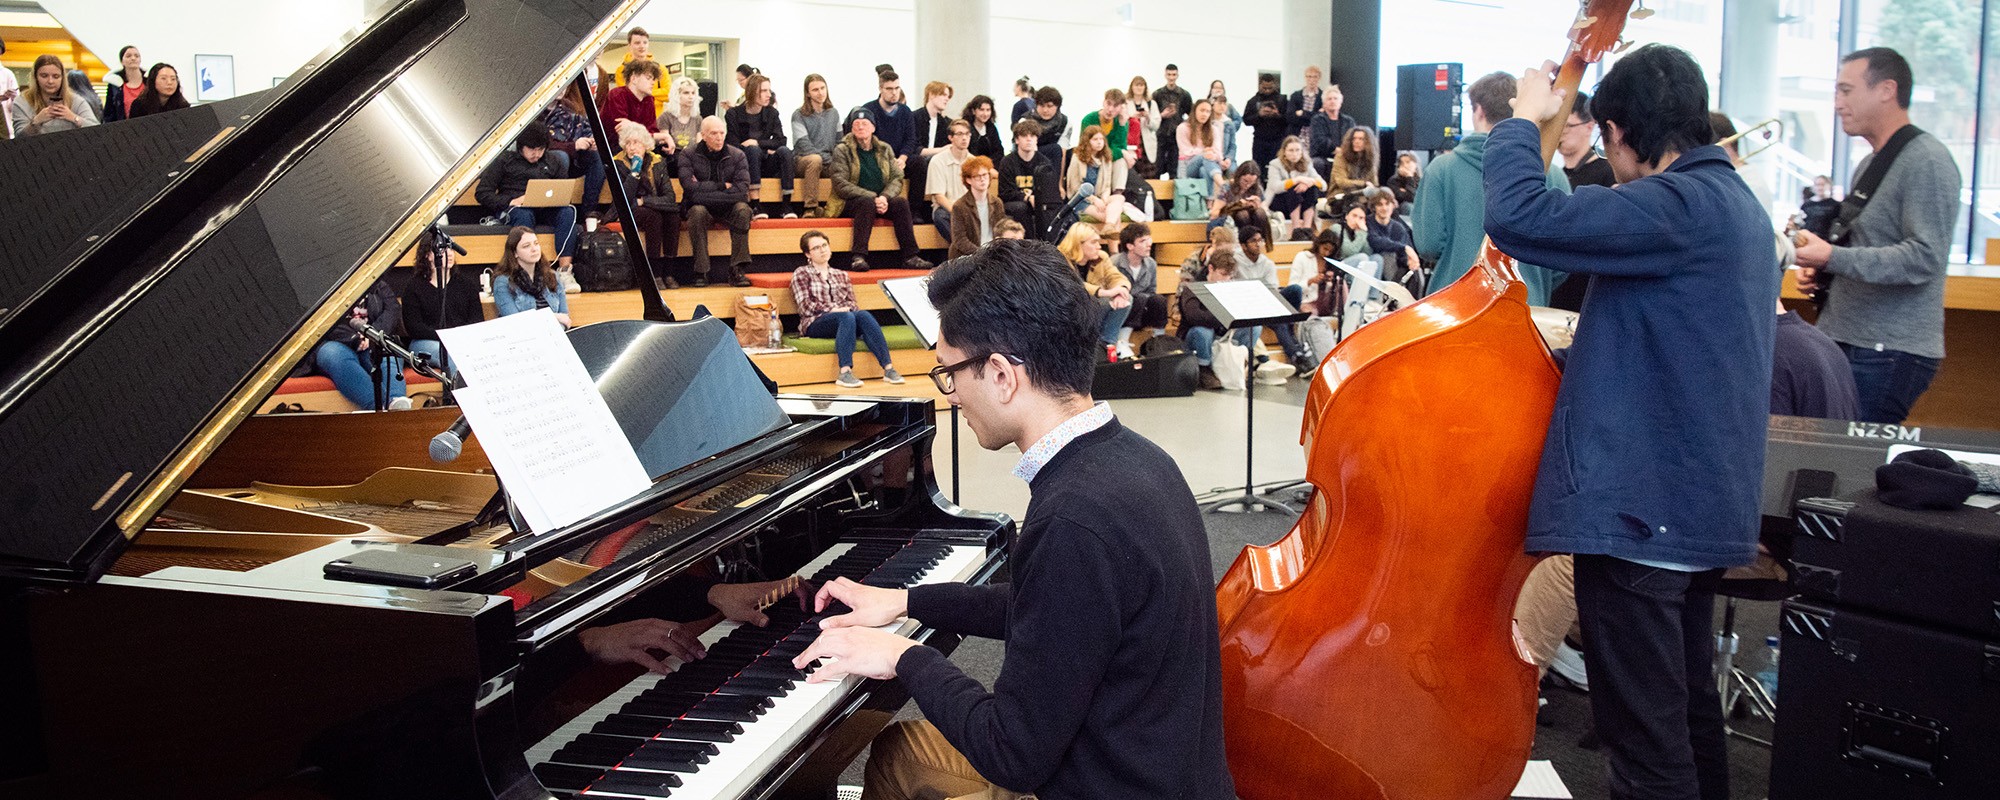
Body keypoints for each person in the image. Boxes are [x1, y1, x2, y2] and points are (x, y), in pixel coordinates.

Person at [797, 240, 1234, 800]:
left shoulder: (1073, 519)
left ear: (1002, 375)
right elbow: (1057, 612)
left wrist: (903, 654)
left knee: (914, 761)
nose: (950, 395)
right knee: (901, 754)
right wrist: (906, 601)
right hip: (1156, 767)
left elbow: (1014, 753)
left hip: (1106, 784)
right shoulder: (1138, 459)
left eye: (949, 373)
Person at [1486, 45, 1777, 800]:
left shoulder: (1678, 204)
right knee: (1685, 716)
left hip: (1647, 513)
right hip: (1692, 506)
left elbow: (1520, 215)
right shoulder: (1736, 203)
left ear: (1616, 131)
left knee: (1647, 748)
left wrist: (1522, 121)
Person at [1793, 47, 1960, 425]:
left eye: (1846, 91)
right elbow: (1870, 243)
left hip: (1887, 349)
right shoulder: (1871, 162)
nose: (1837, 103)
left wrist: (1831, 258)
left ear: (1886, 90)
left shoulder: (1927, 160)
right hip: (1850, 338)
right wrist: (1825, 271)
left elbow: (1925, 257)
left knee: (1850, 469)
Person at [1413, 70, 1570, 306]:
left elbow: (1429, 245)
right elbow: (1562, 259)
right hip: (1527, 311)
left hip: (1452, 310)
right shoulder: (1552, 173)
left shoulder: (1441, 169)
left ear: (1478, 110)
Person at [790, 230, 906, 389]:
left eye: (824, 245)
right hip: (815, 323)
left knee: (863, 315)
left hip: (844, 320)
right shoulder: (802, 273)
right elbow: (805, 306)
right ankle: (845, 371)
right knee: (846, 316)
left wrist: (843, 310)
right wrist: (834, 310)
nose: (822, 250)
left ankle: (888, 368)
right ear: (807, 254)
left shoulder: (841, 275)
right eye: (816, 248)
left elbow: (852, 303)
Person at [830, 108, 933, 272]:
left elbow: (897, 177)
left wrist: (884, 197)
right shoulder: (842, 150)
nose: (860, 127)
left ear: (873, 127)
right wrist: (873, 197)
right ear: (851, 129)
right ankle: (858, 256)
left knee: (900, 203)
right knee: (866, 203)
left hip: (880, 200)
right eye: (856, 124)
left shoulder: (885, 149)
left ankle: (910, 256)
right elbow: (840, 184)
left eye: (865, 124)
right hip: (851, 202)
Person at [475, 122, 578, 273]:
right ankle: (527, 271)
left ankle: (565, 269)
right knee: (524, 215)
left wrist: (555, 200)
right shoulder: (505, 160)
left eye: (540, 150)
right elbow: (482, 192)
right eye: (531, 149)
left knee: (568, 212)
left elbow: (561, 189)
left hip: (545, 208)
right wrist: (511, 201)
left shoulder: (553, 161)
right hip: (514, 208)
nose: (536, 154)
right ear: (521, 146)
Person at [678, 116, 756, 287]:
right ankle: (701, 271)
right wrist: (723, 186)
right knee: (697, 211)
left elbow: (741, 191)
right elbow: (690, 190)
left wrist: (702, 189)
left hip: (728, 208)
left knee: (743, 209)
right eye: (714, 133)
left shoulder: (738, 155)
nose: (719, 137)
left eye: (722, 133)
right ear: (703, 135)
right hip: (701, 208)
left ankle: (737, 270)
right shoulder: (687, 154)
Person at [314, 276, 409, 410]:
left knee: (387, 352)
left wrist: (372, 333)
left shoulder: (378, 284)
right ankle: (378, 407)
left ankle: (397, 402)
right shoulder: (324, 286)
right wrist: (354, 338)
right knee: (334, 355)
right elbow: (322, 321)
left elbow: (392, 310)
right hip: (336, 342)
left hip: (372, 338)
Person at [611, 120, 684, 289]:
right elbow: (625, 198)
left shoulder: (658, 162)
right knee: (654, 217)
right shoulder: (618, 164)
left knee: (673, 217)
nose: (632, 147)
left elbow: (670, 197)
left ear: (646, 145)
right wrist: (634, 172)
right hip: (629, 210)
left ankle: (669, 272)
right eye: (628, 143)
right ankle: (655, 273)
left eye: (636, 142)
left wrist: (645, 201)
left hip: (648, 204)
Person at [400, 234, 485, 377]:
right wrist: (447, 338)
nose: (450, 254)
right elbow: (414, 327)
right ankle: (462, 395)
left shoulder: (466, 284)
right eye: (443, 249)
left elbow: (477, 320)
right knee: (450, 355)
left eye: (451, 249)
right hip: (425, 342)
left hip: (461, 340)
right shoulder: (413, 287)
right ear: (428, 255)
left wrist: (459, 337)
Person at [1231, 225, 1310, 370]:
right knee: (1280, 322)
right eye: (1253, 241)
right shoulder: (1234, 262)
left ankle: (1290, 327)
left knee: (1295, 290)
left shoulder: (1267, 263)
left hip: (1267, 302)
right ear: (1243, 245)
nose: (1258, 244)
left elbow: (1272, 291)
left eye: (1260, 240)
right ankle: (1296, 355)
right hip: (1246, 307)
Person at [725, 73, 798, 219]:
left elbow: (781, 140)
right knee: (752, 150)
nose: (768, 95)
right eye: (764, 91)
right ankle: (755, 204)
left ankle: (787, 204)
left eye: (769, 91)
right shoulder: (734, 113)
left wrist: (758, 143)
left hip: (765, 161)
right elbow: (732, 145)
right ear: (752, 92)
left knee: (785, 151)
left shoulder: (772, 113)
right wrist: (759, 147)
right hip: (744, 162)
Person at [1055, 223, 1134, 348]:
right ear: (1078, 243)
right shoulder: (1060, 259)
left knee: (1126, 298)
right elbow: (1073, 285)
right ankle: (1095, 346)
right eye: (1094, 242)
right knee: (1103, 302)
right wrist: (1105, 293)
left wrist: (1121, 291)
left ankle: (1107, 344)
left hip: (1091, 308)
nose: (1099, 246)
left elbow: (1116, 277)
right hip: (1067, 312)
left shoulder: (1101, 257)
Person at [1178, 246, 1245, 389]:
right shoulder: (1193, 288)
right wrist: (1224, 317)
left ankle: (1241, 363)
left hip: (1222, 333)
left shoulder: (1231, 288)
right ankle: (1204, 368)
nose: (1226, 279)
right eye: (1223, 274)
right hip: (1196, 335)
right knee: (1203, 331)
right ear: (1211, 269)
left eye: (1230, 276)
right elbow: (1194, 317)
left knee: (1253, 328)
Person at [541, 88, 604, 221]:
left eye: (564, 85)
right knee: (560, 157)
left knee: (597, 157)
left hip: (573, 160)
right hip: (544, 161)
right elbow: (541, 144)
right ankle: (557, 207)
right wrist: (574, 145)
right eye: (557, 85)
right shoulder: (535, 112)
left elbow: (584, 127)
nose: (561, 88)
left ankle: (589, 212)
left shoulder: (569, 108)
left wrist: (591, 140)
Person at [491, 226, 573, 325]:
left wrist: (558, 321)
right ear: (515, 253)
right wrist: (555, 317)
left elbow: (565, 320)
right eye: (526, 246)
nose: (534, 249)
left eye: (536, 243)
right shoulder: (503, 282)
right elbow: (515, 322)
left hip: (553, 336)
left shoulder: (553, 276)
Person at [1110, 222, 1170, 350]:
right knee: (1139, 298)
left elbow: (1152, 290)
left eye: (1149, 240)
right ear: (1130, 246)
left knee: (1158, 300)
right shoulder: (1114, 263)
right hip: (1121, 311)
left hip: (1141, 312)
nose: (1149, 244)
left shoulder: (1151, 264)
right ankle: (1122, 341)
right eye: (1143, 241)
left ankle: (1160, 341)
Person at [998, 119, 1062, 238]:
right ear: (1017, 140)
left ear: (1037, 139)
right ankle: (1029, 244)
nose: (1029, 139)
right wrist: (1027, 197)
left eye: (1032, 136)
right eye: (1024, 136)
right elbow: (1004, 193)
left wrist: (1037, 199)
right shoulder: (1007, 162)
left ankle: (1047, 243)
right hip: (1015, 204)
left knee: (1051, 209)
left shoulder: (1044, 162)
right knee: (1021, 208)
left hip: (1038, 203)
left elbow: (1049, 191)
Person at [791, 74, 841, 219]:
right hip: (804, 160)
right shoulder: (798, 115)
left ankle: (836, 208)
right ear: (807, 93)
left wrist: (836, 160)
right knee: (815, 160)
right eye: (815, 90)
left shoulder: (834, 113)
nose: (820, 93)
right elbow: (804, 145)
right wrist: (828, 159)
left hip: (828, 161)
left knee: (846, 165)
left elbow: (839, 142)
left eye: (822, 88)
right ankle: (810, 208)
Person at [12, 55, 98, 137]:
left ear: (62, 78)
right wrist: (36, 121)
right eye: (44, 76)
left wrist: (73, 118)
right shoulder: (22, 102)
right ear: (35, 77)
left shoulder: (76, 101)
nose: (50, 81)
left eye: (56, 76)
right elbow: (19, 138)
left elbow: (97, 130)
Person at [1063, 126, 1132, 227]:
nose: (1099, 142)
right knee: (1112, 216)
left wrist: (1104, 199)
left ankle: (1108, 228)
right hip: (1081, 200)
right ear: (1087, 141)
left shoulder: (1106, 158)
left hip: (1100, 197)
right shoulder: (1077, 158)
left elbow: (1107, 185)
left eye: (1101, 139)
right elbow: (1074, 187)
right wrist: (1095, 200)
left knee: (1119, 198)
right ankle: (1110, 231)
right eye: (1095, 139)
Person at [909, 80, 957, 216]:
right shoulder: (914, 117)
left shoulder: (946, 123)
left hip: (935, 160)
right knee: (921, 163)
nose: (946, 99)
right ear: (931, 95)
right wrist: (941, 150)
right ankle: (915, 211)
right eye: (943, 95)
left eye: (948, 96)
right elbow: (914, 148)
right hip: (917, 161)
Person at [1266, 135, 1327, 240]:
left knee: (1312, 188)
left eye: (1297, 150)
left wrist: (1310, 182)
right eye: (1291, 150)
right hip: (1280, 202)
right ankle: (1296, 228)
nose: (1294, 154)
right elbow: (1275, 187)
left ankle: (1307, 229)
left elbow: (1323, 185)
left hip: (1301, 202)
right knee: (1293, 188)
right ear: (1284, 151)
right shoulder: (1275, 164)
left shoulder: (1307, 164)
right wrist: (1297, 180)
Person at [604, 60, 672, 151]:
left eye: (653, 79)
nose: (653, 83)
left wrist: (632, 125)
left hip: (641, 147)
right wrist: (660, 135)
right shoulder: (617, 95)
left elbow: (651, 131)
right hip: (613, 148)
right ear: (634, 79)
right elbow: (623, 133)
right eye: (648, 78)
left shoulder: (649, 99)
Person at [949, 156, 1008, 259]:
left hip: (992, 254)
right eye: (977, 176)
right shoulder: (959, 206)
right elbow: (960, 240)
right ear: (968, 180)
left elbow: (1001, 232)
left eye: (985, 175)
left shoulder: (997, 203)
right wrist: (981, 253)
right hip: (968, 257)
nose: (982, 179)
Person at [925, 119, 976, 239]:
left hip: (970, 207)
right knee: (941, 216)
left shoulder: (974, 161)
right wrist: (959, 213)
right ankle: (965, 249)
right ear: (950, 138)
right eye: (959, 134)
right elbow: (939, 197)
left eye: (967, 134)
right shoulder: (937, 161)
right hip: (948, 208)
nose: (964, 138)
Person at [1559, 91, 1616, 190]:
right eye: (1557, 128)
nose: (1559, 133)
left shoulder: (1608, 172)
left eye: (1567, 126)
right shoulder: (1556, 175)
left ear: (1589, 127)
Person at [860, 70, 915, 168]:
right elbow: (866, 141)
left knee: (919, 163)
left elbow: (910, 140)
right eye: (889, 89)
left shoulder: (906, 111)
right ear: (880, 89)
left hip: (900, 158)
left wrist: (902, 159)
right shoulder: (868, 110)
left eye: (897, 88)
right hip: (876, 158)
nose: (894, 92)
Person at [1366, 188, 1420, 283]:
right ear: (1374, 207)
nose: (1384, 208)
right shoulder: (1368, 222)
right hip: (1374, 260)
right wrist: (1404, 248)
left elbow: (1406, 253)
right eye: (1380, 205)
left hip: (1397, 265)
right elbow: (1375, 242)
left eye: (1387, 204)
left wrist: (1410, 262)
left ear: (1392, 206)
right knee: (1388, 255)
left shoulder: (1398, 227)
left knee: (1416, 270)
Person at [1307, 86, 1358, 177]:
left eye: (1335, 98)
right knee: (1317, 164)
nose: (1332, 101)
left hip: (1345, 155)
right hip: (1322, 156)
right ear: (1324, 103)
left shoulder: (1349, 121)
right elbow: (1320, 140)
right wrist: (1336, 150)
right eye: (1329, 99)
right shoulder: (1317, 120)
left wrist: (1345, 152)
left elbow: (1353, 139)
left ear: (1340, 102)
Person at [1178, 99, 1229, 190]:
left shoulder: (1214, 129)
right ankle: (1222, 185)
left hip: (1207, 164)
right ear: (1194, 111)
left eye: (1208, 112)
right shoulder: (1183, 128)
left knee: (1204, 170)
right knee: (1204, 157)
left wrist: (1212, 155)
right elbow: (1186, 152)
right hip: (1187, 166)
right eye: (1202, 110)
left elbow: (1218, 153)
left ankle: (1209, 201)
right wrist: (1204, 152)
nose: (1204, 114)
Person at [1244, 73, 1288, 172]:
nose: (1267, 90)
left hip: (1278, 139)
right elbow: (1246, 120)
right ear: (1260, 85)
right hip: (1260, 140)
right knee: (1258, 169)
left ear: (1275, 85)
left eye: (1270, 88)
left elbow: (1288, 120)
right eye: (1264, 88)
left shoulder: (1282, 100)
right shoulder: (1253, 101)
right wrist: (1259, 115)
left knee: (1277, 168)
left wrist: (1277, 115)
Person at [1211, 163, 1269, 237]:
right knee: (1242, 214)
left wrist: (1258, 205)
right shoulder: (1227, 187)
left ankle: (1258, 238)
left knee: (1260, 213)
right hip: (1232, 218)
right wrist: (1238, 205)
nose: (1248, 185)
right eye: (1245, 181)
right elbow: (1215, 211)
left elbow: (1265, 210)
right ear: (1238, 177)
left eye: (1252, 182)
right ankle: (1245, 240)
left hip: (1253, 219)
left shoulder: (1257, 188)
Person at [1076, 88, 1130, 165]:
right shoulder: (1089, 119)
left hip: (1110, 160)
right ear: (1103, 102)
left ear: (1121, 108)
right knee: (1122, 155)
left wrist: (1122, 125)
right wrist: (1121, 152)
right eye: (1108, 103)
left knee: (1121, 162)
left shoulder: (1121, 122)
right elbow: (1085, 147)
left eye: (1115, 106)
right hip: (1091, 160)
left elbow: (1121, 147)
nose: (1110, 109)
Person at [1328, 127, 1379, 199]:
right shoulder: (1341, 156)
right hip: (1341, 195)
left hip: (1363, 194)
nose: (1356, 141)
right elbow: (1341, 182)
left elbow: (1374, 183)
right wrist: (1364, 183)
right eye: (1354, 139)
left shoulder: (1370, 158)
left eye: (1361, 139)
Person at [1124, 76, 1160, 179]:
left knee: (1149, 174)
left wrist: (1147, 116)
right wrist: (1132, 117)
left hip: (1146, 143)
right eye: (1136, 85)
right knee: (1131, 171)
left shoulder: (1151, 104)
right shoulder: (1126, 103)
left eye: (1141, 85)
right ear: (1132, 87)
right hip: (1131, 141)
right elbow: (1121, 120)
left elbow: (1156, 125)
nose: (1139, 88)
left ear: (1145, 87)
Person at [1029, 86, 1070, 172]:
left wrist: (1059, 183)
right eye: (1041, 105)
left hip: (1053, 158)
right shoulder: (1026, 120)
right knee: (1054, 149)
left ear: (1057, 106)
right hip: (1029, 155)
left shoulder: (1065, 122)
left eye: (1049, 106)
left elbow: (1063, 150)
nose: (1045, 110)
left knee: (1066, 152)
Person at [661, 75, 703, 155]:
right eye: (686, 93)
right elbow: (665, 142)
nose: (691, 97)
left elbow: (699, 145)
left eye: (693, 93)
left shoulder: (698, 119)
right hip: (673, 158)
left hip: (692, 158)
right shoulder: (665, 117)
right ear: (676, 95)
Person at [102, 45, 145, 123]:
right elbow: (109, 112)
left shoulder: (149, 81)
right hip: (124, 128)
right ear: (122, 61)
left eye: (137, 56)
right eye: (128, 56)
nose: (133, 58)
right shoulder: (115, 84)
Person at [1208, 80, 1244, 165]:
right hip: (1211, 155)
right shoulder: (1207, 106)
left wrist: (1229, 127)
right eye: (1216, 87)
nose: (1218, 90)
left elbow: (1238, 120)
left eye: (1220, 88)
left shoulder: (1229, 107)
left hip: (1226, 146)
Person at [963, 94, 1006, 161]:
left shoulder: (991, 128)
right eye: (981, 110)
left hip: (991, 167)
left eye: (988, 110)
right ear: (973, 111)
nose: (985, 114)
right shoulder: (965, 127)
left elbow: (999, 151)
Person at [1153, 64, 1196, 130]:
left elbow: (1191, 114)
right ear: (1165, 75)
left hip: (1179, 132)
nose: (1171, 78)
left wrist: (1184, 125)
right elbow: (1152, 116)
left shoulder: (1185, 95)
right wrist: (1162, 115)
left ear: (1177, 76)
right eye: (1169, 74)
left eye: (1174, 74)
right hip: (1160, 133)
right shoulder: (1157, 94)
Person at [1287, 66, 1324, 138]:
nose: (1312, 80)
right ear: (1305, 77)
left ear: (1319, 78)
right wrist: (1314, 115)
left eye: (1315, 77)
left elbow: (1321, 119)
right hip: (1296, 135)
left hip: (1315, 136)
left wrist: (1302, 113)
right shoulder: (1295, 96)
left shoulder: (1323, 97)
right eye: (1309, 76)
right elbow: (1289, 117)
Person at [1153, 96, 1183, 181]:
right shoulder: (1158, 94)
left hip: (1176, 135)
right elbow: (1153, 117)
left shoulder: (1183, 94)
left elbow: (1189, 112)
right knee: (1157, 166)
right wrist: (1162, 115)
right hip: (1159, 134)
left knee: (1174, 167)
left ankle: (1176, 188)